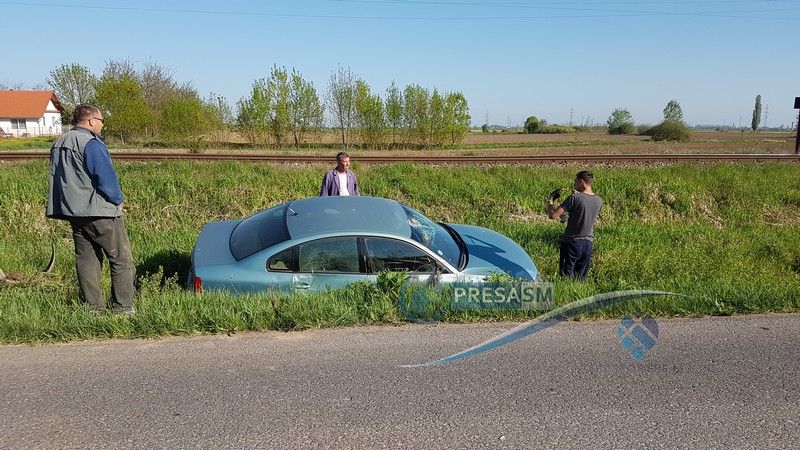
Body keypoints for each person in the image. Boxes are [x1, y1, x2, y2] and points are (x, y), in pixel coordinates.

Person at [46, 103, 136, 315]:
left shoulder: (60, 143)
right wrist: (118, 199)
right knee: (121, 260)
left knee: (87, 261)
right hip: (100, 211)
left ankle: (94, 310)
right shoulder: (91, 143)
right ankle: (123, 308)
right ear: (92, 121)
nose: (103, 125)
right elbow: (105, 176)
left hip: (74, 212)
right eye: (102, 120)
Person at [547, 171, 602, 280]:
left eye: (575, 181)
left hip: (571, 242)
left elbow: (553, 216)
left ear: (581, 181)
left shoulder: (574, 198)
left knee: (566, 278)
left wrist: (550, 201)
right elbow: (584, 208)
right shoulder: (599, 200)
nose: (574, 184)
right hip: (588, 243)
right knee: (580, 279)